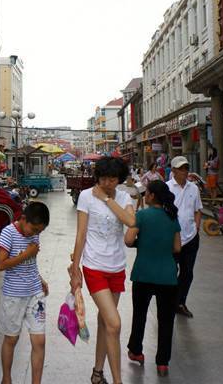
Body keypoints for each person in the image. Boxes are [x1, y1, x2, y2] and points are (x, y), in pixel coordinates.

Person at [69, 157, 135, 384]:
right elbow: (81, 233)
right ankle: (118, 381)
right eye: (104, 178)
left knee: (106, 322)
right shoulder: (86, 196)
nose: (107, 183)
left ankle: (97, 372)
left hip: (117, 266)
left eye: (113, 179)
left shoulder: (124, 196)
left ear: (119, 179)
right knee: (115, 323)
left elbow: (130, 221)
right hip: (94, 265)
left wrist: (107, 199)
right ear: (98, 177)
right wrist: (75, 269)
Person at [125, 180, 182, 377]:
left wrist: (143, 242)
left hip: (143, 274)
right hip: (167, 276)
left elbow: (128, 240)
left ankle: (136, 351)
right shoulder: (172, 217)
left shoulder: (141, 215)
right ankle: (162, 363)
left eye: (147, 193)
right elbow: (177, 248)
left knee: (139, 314)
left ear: (150, 196)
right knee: (166, 320)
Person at [0, 202, 50, 384]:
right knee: (11, 339)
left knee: (39, 341)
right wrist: (26, 254)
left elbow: (31, 263)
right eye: (33, 229)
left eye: (39, 232)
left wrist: (40, 279)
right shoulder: (8, 233)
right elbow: (1, 264)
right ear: (24, 219)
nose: (34, 234)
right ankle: (6, 378)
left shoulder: (33, 236)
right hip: (13, 296)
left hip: (35, 294)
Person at [166, 156, 201, 318]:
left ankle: (180, 302)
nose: (184, 171)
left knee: (188, 272)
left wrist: (197, 228)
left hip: (191, 237)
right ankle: (169, 302)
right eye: (181, 168)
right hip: (172, 238)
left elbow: (197, 210)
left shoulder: (193, 188)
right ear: (173, 170)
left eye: (186, 168)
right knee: (171, 271)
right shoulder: (166, 188)